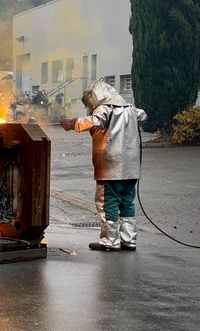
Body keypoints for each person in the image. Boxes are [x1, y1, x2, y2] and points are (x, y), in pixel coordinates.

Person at [60, 79, 147, 252]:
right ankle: (128, 239)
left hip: (111, 167)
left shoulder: (104, 108)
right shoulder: (130, 109)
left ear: (96, 95)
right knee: (127, 203)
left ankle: (110, 240)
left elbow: (95, 121)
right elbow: (143, 115)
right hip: (131, 168)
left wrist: (72, 123)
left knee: (108, 202)